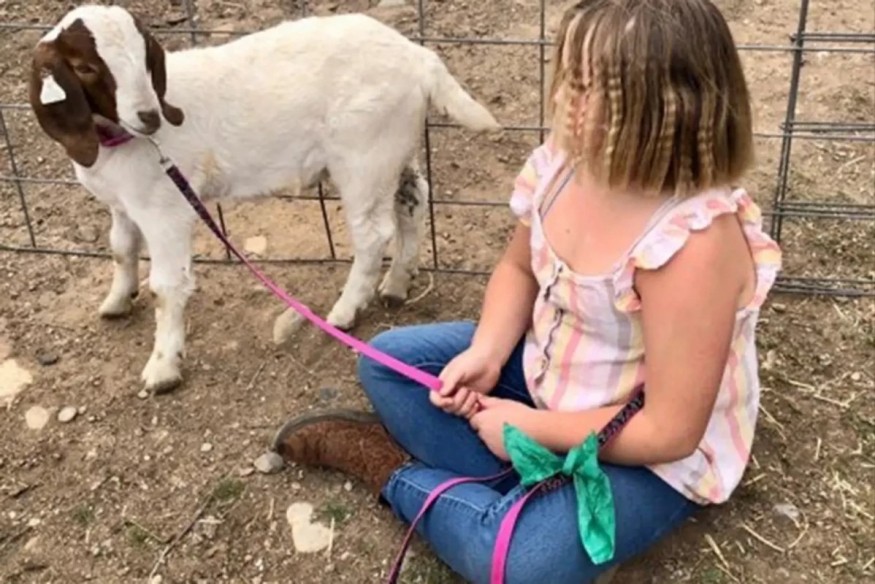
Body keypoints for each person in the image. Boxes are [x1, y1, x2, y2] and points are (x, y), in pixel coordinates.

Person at [271, 1, 782, 582]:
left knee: (520, 566)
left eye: (587, 88)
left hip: (644, 448)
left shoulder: (692, 243)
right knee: (387, 362)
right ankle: (522, 490)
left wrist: (526, 429)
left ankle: (393, 470)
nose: (561, 97)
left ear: (666, 111)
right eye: (566, 76)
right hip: (550, 377)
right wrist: (488, 352)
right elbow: (518, 269)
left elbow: (670, 431)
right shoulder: (566, 164)